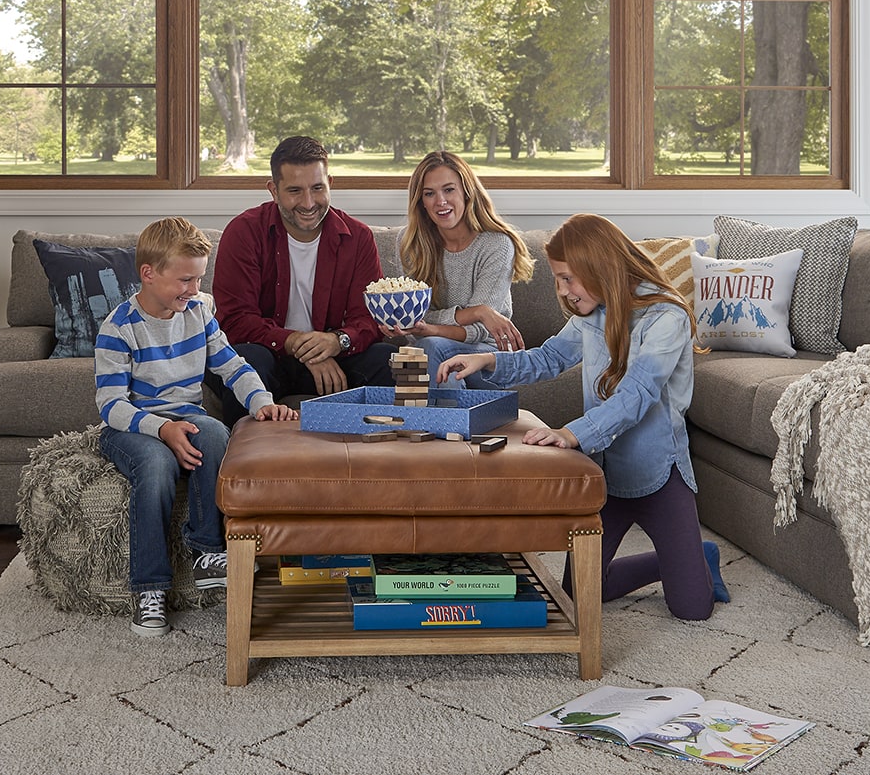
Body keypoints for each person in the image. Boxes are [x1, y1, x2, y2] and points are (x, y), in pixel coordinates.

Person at [437, 212, 716, 621]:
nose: (563, 291)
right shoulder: (592, 313)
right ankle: (676, 559)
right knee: (580, 593)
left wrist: (571, 434)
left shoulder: (666, 317)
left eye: (569, 278)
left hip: (660, 474)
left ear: (600, 267)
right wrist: (487, 359)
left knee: (693, 608)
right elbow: (549, 357)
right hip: (607, 475)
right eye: (558, 279)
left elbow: (636, 394)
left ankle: (693, 558)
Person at [94, 216, 296, 638]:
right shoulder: (118, 327)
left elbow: (231, 366)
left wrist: (262, 402)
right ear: (149, 274)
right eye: (185, 280)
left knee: (218, 433)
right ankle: (149, 589)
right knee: (154, 469)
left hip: (186, 415)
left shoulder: (200, 313)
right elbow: (110, 405)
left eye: (199, 279)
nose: (195, 290)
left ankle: (207, 550)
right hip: (133, 425)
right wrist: (161, 430)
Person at [208, 136, 394, 412]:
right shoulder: (243, 233)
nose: (308, 203)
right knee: (246, 359)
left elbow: (367, 319)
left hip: (333, 358)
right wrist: (294, 343)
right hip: (267, 356)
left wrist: (336, 342)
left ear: (330, 183)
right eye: (295, 190)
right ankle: (249, 453)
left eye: (318, 188)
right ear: (273, 190)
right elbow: (235, 321)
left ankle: (376, 451)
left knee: (389, 359)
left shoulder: (358, 238)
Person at [377, 149, 534, 389]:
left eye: (449, 190)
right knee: (414, 353)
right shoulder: (410, 242)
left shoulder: (497, 245)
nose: (440, 201)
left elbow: (481, 330)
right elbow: (412, 318)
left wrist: (432, 328)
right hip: (427, 349)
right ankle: (441, 423)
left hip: (488, 355)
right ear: (421, 202)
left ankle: (436, 424)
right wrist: (477, 311)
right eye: (429, 194)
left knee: (429, 348)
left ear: (467, 191)